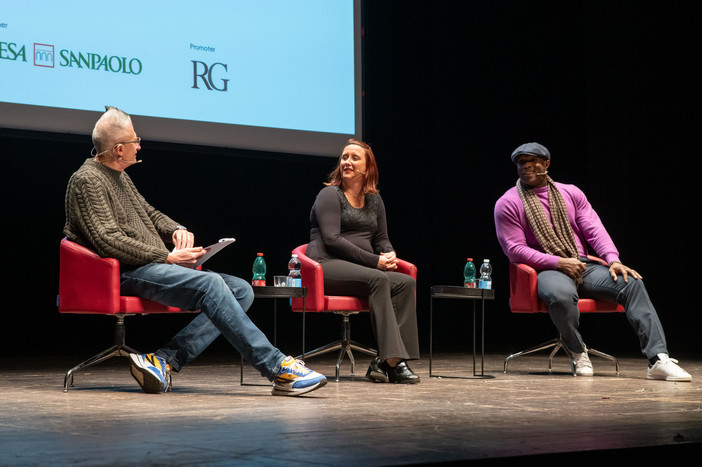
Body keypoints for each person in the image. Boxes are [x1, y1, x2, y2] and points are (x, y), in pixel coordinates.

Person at [63, 106, 327, 396]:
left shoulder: (119, 176)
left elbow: (149, 213)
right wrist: (166, 256)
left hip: (148, 266)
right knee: (212, 283)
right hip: (123, 272)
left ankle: (162, 360)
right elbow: (107, 239)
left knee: (241, 290)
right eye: (135, 140)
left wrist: (176, 228)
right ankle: (277, 368)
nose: (139, 145)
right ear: (118, 148)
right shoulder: (87, 180)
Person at [494, 142, 691, 381]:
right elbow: (515, 249)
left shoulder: (571, 193)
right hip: (547, 268)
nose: (526, 166)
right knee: (560, 296)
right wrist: (558, 262)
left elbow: (594, 229)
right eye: (521, 163)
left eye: (532, 161)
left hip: (582, 264)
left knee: (631, 282)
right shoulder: (508, 202)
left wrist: (613, 260)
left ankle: (658, 359)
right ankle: (577, 351)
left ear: (546, 164)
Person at [305, 139, 420, 384]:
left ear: (367, 169)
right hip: (326, 264)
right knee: (378, 278)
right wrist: (375, 262)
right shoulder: (329, 194)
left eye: (354, 158)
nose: (347, 161)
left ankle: (392, 359)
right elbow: (332, 239)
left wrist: (388, 254)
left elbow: (381, 238)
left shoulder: (375, 200)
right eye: (344, 157)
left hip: (362, 268)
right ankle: (392, 361)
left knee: (404, 283)